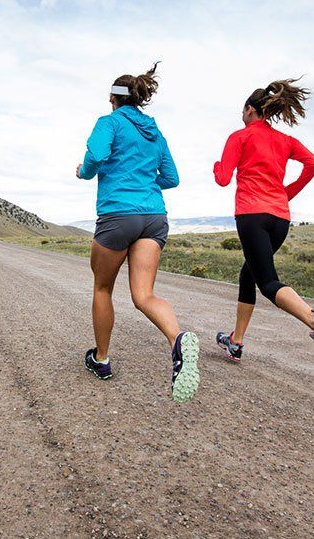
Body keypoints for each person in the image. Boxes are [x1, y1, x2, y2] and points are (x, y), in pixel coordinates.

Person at [76, 63, 200, 403]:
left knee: (103, 288)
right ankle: (177, 339)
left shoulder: (109, 123)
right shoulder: (155, 134)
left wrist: (83, 171)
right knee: (144, 295)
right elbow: (171, 178)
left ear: (113, 99)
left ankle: (101, 359)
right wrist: (144, 181)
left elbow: (96, 156)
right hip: (154, 217)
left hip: (118, 215)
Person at [212, 78, 314, 373]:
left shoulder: (241, 136)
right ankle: (236, 340)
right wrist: (287, 192)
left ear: (250, 110)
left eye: (243, 110)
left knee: (268, 282)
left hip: (252, 215)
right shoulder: (284, 140)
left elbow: (223, 178)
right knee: (248, 274)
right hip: (280, 218)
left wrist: (216, 167)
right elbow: (313, 163)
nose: (242, 115)